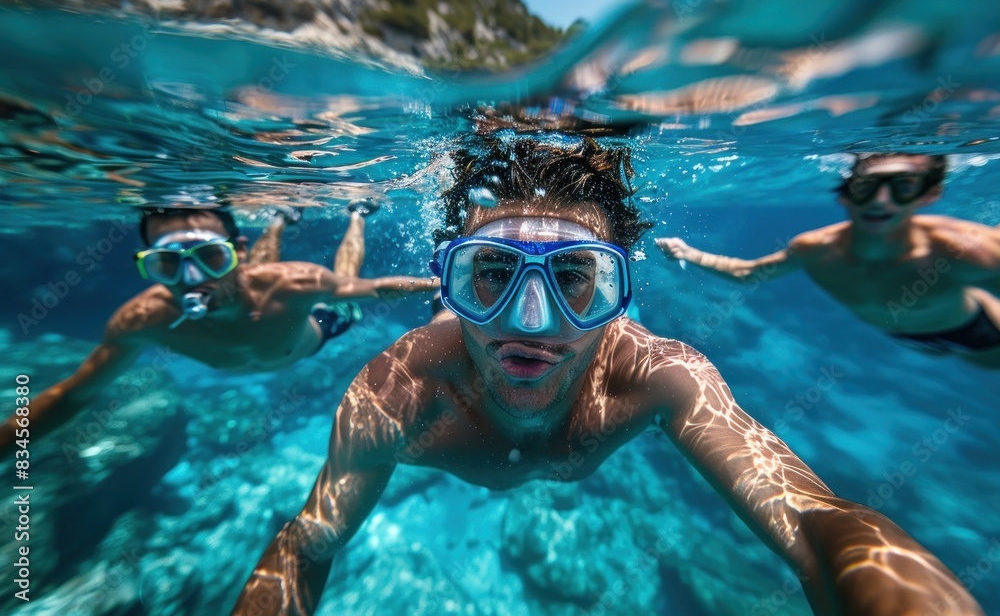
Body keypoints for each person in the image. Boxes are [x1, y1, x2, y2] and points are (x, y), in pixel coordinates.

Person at [232, 138, 983, 616]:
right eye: (489, 272)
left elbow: (819, 527)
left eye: (576, 277)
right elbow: (308, 542)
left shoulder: (659, 375)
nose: (530, 321)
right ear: (454, 276)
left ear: (623, 293)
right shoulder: (395, 394)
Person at [0, 201, 439, 456]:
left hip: (311, 334)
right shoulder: (143, 319)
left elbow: (374, 288)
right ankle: (279, 220)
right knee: (256, 279)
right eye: (169, 263)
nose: (192, 280)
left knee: (343, 291)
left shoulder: (292, 284)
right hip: (266, 305)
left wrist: (440, 284)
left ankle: (357, 214)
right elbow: (73, 393)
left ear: (235, 252)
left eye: (211, 258)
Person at [657, 153, 1000, 369]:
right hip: (901, 333)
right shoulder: (815, 248)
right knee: (939, 355)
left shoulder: (963, 249)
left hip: (974, 329)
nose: (881, 201)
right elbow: (749, 273)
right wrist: (690, 253)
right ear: (847, 193)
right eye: (868, 185)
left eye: (903, 186)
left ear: (929, 195)